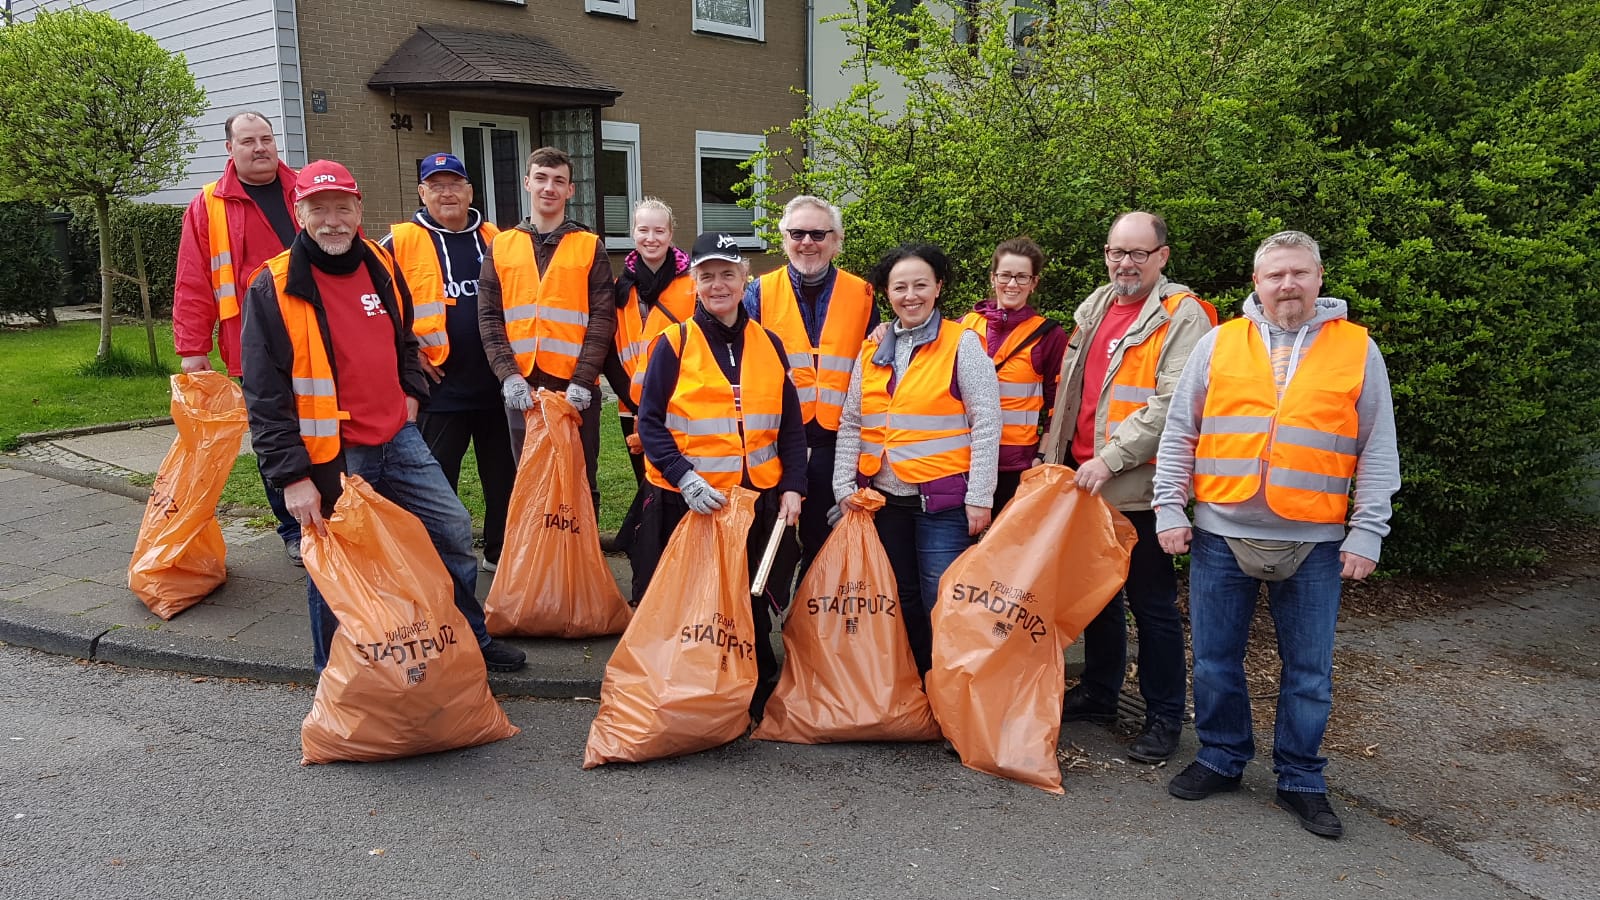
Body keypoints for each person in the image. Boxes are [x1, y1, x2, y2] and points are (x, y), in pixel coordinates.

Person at [1153, 230, 1400, 839]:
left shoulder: (1358, 351)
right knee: (1214, 661)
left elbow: (1377, 449)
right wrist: (1169, 510)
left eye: (1298, 273)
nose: (1287, 285)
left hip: (1314, 541)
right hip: (1219, 532)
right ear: (1256, 284)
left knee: (1309, 670)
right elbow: (1181, 433)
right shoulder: (1219, 343)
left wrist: (1367, 532)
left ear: (1319, 278)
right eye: (1274, 275)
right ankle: (1221, 756)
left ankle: (1300, 778)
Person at [239, 160, 526, 674]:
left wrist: (412, 392)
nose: (332, 220)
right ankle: (335, 675)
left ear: (358, 209)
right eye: (318, 209)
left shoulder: (378, 262)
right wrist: (292, 478)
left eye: (342, 207)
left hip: (399, 435)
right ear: (298, 211)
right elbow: (263, 397)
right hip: (334, 453)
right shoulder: (272, 286)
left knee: (453, 530)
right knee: (339, 561)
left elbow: (404, 336)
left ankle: (470, 639)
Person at [1036, 211, 1215, 764]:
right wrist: (1055, 460)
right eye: (1117, 252)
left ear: (1163, 256)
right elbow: (1071, 395)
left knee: (1152, 604)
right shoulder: (1097, 305)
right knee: (1099, 597)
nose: (1125, 263)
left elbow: (1172, 405)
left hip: (1139, 488)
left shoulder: (1183, 316)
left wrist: (1110, 460)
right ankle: (1101, 692)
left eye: (1138, 253)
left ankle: (1164, 718)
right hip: (1085, 480)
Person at [633, 231, 808, 719]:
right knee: (691, 602)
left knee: (751, 595)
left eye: (727, 274)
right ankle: (689, 689)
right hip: (694, 499)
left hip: (756, 496)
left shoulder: (768, 343)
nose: (718, 285)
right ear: (694, 281)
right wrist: (685, 478)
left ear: (744, 278)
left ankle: (754, 688)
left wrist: (794, 484)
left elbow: (790, 424)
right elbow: (649, 422)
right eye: (707, 276)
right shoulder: (674, 343)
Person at [832, 244, 1001, 676]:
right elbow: (852, 422)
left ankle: (952, 696)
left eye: (921, 284)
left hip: (941, 503)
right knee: (901, 595)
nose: (911, 295)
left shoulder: (962, 344)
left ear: (939, 287)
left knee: (943, 599)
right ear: (887, 293)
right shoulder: (872, 351)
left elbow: (986, 423)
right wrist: (843, 486)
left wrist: (980, 497)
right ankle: (918, 687)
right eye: (900, 286)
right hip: (884, 500)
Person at [172, 110, 302, 564]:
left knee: (331, 428)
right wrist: (192, 349)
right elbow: (192, 280)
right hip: (252, 344)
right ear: (229, 149)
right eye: (248, 141)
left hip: (320, 337)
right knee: (274, 433)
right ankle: (293, 528)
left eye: (266, 138)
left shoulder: (305, 188)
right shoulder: (208, 205)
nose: (260, 147)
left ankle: (334, 513)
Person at [380, 152, 513, 572]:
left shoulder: (500, 239)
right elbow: (371, 306)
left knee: (504, 479)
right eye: (436, 185)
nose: (446, 192)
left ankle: (501, 554)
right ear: (422, 192)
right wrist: (408, 353)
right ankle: (436, 563)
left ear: (470, 190)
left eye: (454, 183)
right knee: (435, 482)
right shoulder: (398, 241)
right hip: (438, 391)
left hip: (497, 386)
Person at [743, 196, 879, 602]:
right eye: (797, 233)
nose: (807, 242)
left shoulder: (863, 293)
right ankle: (765, 612)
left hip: (836, 437)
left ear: (836, 241)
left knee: (825, 533)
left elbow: (874, 358)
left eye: (818, 234)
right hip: (776, 434)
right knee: (770, 531)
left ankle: (811, 620)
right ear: (783, 239)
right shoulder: (759, 293)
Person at [477, 146, 616, 517]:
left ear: (571, 190)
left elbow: (603, 319)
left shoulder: (589, 246)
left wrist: (584, 381)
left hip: (573, 386)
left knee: (580, 476)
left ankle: (582, 567)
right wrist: (508, 376)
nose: (549, 188)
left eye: (558, 181)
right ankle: (538, 565)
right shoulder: (501, 246)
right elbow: (490, 317)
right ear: (527, 183)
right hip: (522, 384)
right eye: (541, 178)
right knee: (530, 479)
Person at [601, 198, 695, 547]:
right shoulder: (618, 287)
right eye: (643, 230)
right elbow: (609, 351)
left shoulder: (692, 284)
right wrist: (635, 401)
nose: (650, 238)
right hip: (632, 405)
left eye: (659, 230)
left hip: (680, 403)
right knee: (645, 480)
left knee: (676, 479)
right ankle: (647, 549)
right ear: (632, 233)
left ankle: (658, 546)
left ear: (671, 234)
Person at [960, 237, 1067, 513]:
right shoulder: (963, 326)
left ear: (1034, 283)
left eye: (1022, 277)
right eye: (1006, 275)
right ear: (993, 278)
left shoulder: (1049, 336)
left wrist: (1043, 455)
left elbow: (1060, 404)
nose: (1012, 284)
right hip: (963, 459)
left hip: (1016, 465)